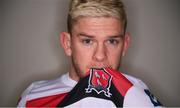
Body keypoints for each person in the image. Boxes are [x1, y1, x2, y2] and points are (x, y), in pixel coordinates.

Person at [17, 0, 163, 107]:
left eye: (111, 41)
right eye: (88, 41)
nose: (100, 56)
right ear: (68, 44)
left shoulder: (137, 93)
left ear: (124, 45)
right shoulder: (33, 97)